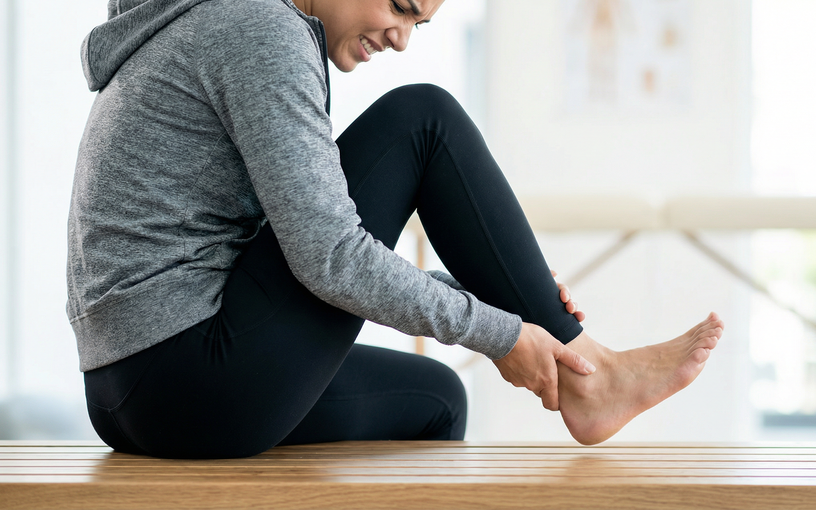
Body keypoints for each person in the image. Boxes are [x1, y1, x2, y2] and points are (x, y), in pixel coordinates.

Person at [67, 0, 724, 459]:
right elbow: (328, 258)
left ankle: (580, 365)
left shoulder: (222, 21)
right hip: (193, 376)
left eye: (421, 24)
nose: (403, 38)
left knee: (435, 399)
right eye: (401, 5)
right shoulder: (258, 26)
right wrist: (501, 332)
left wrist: (489, 306)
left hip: (131, 394)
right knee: (423, 120)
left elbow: (291, 250)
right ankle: (592, 371)